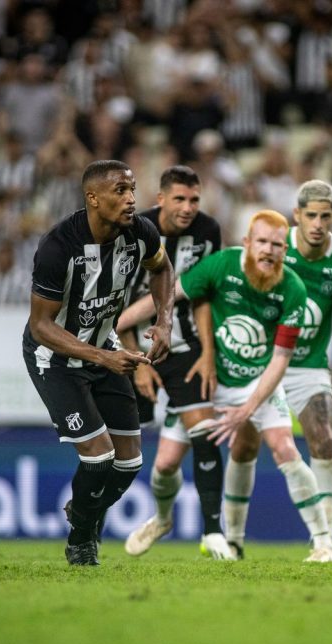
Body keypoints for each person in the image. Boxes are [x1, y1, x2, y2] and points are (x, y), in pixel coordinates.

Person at [118, 209, 332, 562]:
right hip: (209, 380)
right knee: (164, 465)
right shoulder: (222, 265)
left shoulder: (293, 290)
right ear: (247, 244)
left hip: (257, 382)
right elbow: (169, 294)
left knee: (285, 448)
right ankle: (162, 520)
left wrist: (248, 409)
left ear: (286, 251)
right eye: (263, 242)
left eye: (278, 245)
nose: (269, 251)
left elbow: (282, 360)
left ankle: (323, 543)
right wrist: (123, 321)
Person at [23, 159, 174, 566]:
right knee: (99, 455)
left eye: (132, 189)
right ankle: (81, 542)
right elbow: (40, 325)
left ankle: (84, 513)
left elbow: (162, 268)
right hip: (55, 357)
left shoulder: (140, 232)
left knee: (129, 463)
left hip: (104, 350)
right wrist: (103, 357)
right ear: (93, 198)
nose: (130, 199)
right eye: (120, 192)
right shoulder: (59, 247)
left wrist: (163, 321)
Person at [223, 180, 332, 547]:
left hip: (308, 365)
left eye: (325, 216)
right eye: (311, 216)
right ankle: (234, 538)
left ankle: (324, 541)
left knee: (324, 437)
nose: (318, 224)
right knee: (244, 446)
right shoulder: (275, 246)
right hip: (262, 360)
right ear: (297, 216)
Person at [118, 165, 235, 560]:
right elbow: (116, 300)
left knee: (203, 432)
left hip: (185, 346)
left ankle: (214, 532)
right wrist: (139, 361)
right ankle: (159, 519)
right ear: (161, 199)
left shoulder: (208, 231)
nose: (188, 208)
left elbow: (202, 292)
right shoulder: (132, 229)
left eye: (194, 200)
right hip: (131, 344)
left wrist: (207, 350)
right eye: (180, 199)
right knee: (160, 463)